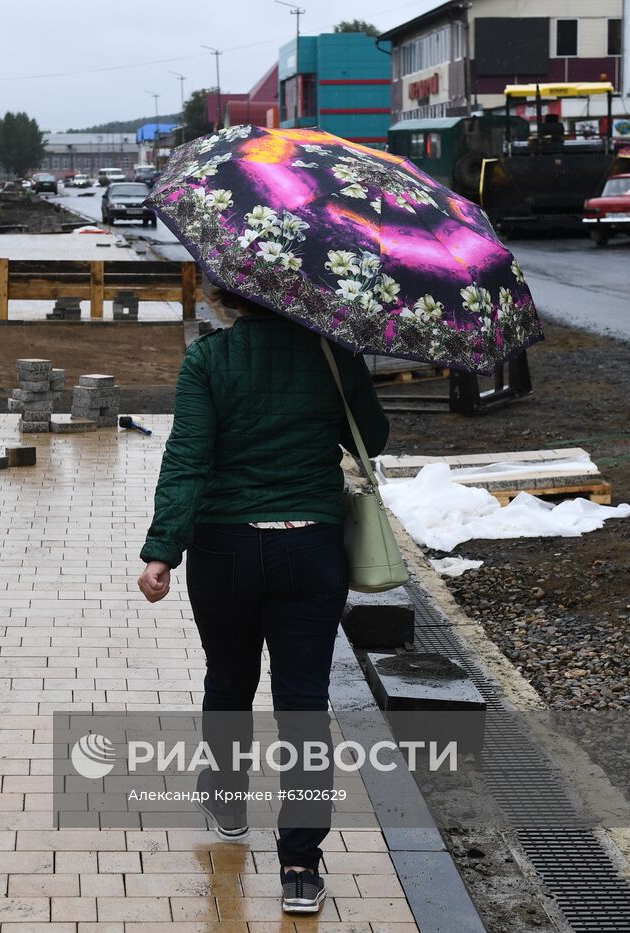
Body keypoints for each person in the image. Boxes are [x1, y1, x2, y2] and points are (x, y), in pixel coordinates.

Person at [137, 291, 388, 917]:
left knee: (228, 680)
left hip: (224, 549)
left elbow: (187, 458)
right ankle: (300, 866)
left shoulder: (209, 360)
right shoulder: (334, 356)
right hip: (311, 548)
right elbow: (373, 440)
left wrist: (163, 550)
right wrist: (347, 372)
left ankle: (227, 799)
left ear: (231, 293)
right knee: (304, 704)